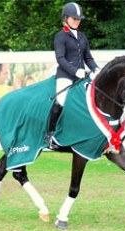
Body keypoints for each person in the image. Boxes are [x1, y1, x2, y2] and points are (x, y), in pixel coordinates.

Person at [45, 2, 100, 146]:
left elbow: (88, 58)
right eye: (74, 18)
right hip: (66, 75)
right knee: (62, 100)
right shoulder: (60, 36)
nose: (77, 21)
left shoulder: (82, 37)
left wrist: (96, 69)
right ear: (66, 18)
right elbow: (60, 59)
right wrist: (75, 71)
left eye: (79, 19)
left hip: (82, 76)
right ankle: (50, 135)